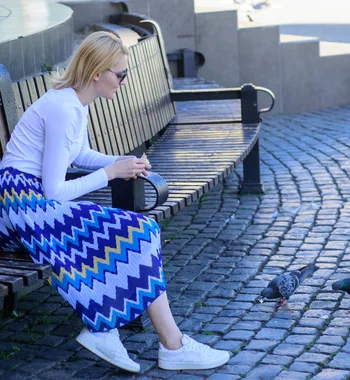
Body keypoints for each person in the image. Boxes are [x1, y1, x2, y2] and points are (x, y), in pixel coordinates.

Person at [0, 31, 230, 373]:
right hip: (21, 204)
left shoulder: (75, 101)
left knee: (141, 230)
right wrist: (111, 172)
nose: (123, 82)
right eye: (120, 74)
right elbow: (54, 192)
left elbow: (78, 154)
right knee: (139, 230)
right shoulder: (64, 108)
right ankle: (142, 337)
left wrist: (123, 161)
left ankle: (128, 334)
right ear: (97, 72)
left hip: (28, 199)